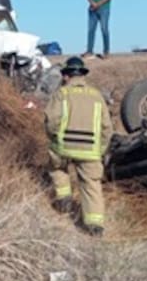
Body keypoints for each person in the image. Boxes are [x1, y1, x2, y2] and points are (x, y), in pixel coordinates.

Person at [44, 56, 114, 237]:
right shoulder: (97, 96)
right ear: (83, 75)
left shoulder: (61, 94)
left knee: (57, 167)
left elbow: (51, 122)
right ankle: (94, 225)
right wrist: (100, 150)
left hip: (64, 147)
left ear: (66, 76)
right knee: (91, 185)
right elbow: (107, 128)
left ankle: (64, 199)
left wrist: (54, 140)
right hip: (90, 150)